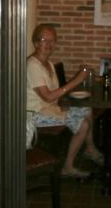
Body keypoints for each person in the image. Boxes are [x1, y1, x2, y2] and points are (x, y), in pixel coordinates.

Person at [27, 24, 103, 178]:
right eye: (44, 40)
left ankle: (90, 148)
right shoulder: (32, 65)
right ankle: (68, 167)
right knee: (83, 124)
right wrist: (76, 80)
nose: (49, 44)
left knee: (87, 109)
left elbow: (55, 96)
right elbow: (47, 96)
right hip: (34, 114)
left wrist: (67, 104)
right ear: (35, 43)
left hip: (49, 108)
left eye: (52, 40)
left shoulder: (48, 64)